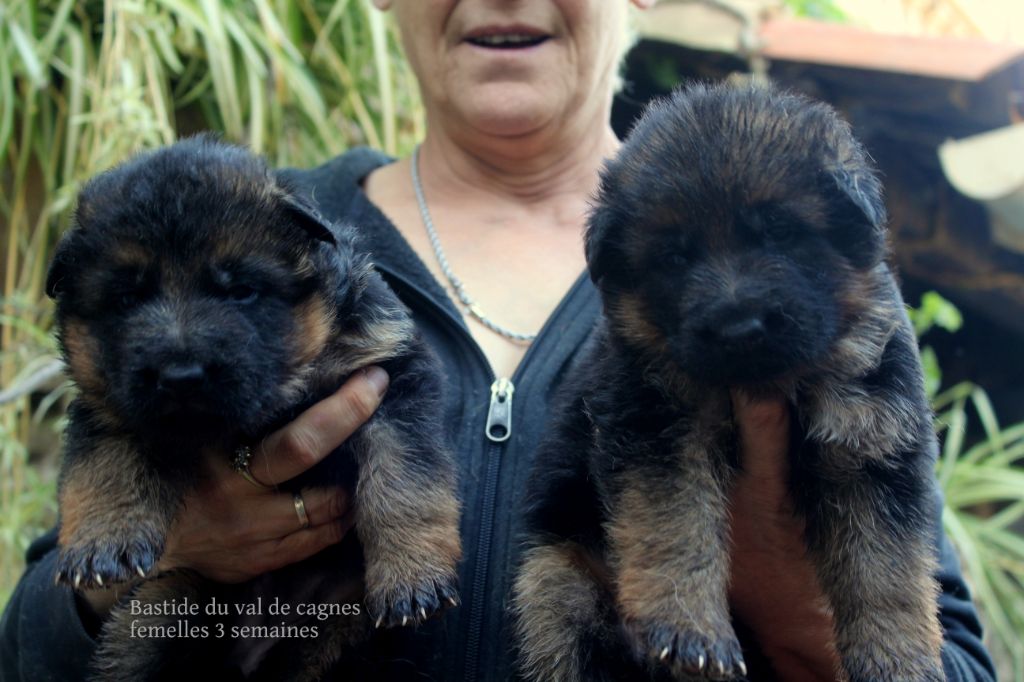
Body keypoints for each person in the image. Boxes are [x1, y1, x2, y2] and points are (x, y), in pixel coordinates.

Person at [0, 1, 997, 680]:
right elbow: (36, 646)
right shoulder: (262, 238)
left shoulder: (816, 291)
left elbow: (941, 650)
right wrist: (183, 577)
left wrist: (783, 601)